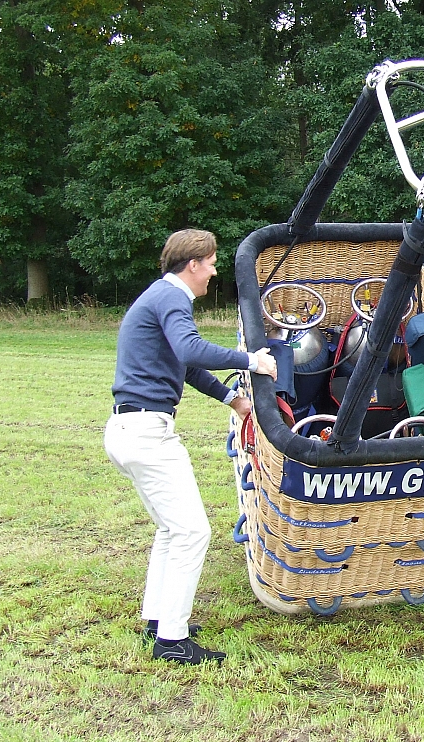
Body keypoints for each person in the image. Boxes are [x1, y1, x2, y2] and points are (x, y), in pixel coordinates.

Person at [104, 229, 278, 666]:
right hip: (148, 433)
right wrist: (252, 361)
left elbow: (185, 365)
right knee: (192, 532)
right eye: (212, 263)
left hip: (129, 428)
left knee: (171, 530)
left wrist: (233, 399)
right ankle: (172, 641)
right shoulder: (172, 297)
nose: (214, 272)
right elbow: (191, 349)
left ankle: (157, 621)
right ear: (194, 264)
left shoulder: (159, 297)